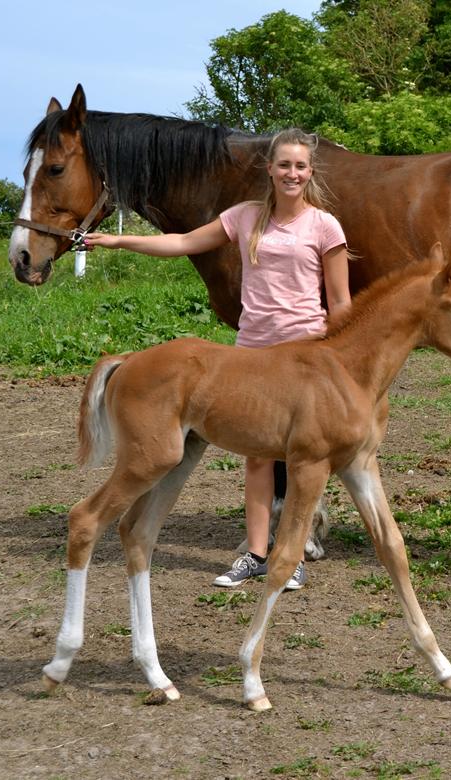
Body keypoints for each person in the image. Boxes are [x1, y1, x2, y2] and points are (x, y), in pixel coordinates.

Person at [83, 128, 351, 590]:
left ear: (310, 172)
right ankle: (254, 552)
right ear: (269, 169)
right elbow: (184, 242)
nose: (292, 173)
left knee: (303, 461)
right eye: (284, 165)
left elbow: (342, 302)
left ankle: (291, 557)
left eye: (300, 166)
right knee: (256, 459)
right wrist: (117, 242)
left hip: (304, 355)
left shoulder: (325, 227)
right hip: (252, 353)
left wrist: (341, 359)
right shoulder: (245, 217)